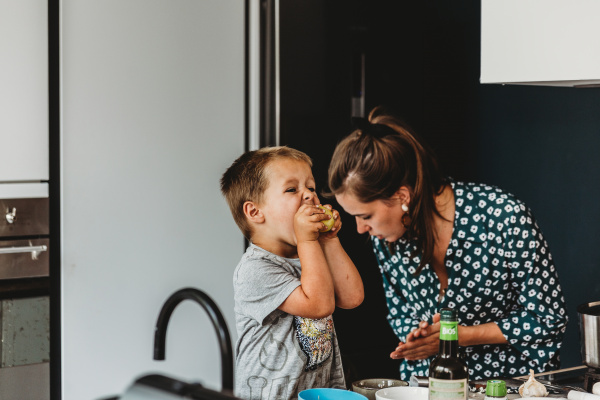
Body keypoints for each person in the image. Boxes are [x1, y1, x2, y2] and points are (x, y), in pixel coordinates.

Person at [326, 106, 568, 381]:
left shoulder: (504, 216)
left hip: (510, 387)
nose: (361, 229)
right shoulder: (385, 238)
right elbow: (400, 315)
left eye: (365, 216)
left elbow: (547, 319)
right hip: (426, 387)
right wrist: (417, 336)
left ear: (402, 196)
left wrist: (458, 336)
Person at [221, 146, 364, 400]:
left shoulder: (312, 255)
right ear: (255, 212)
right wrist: (309, 241)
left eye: (310, 187)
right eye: (292, 190)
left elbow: (352, 298)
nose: (309, 196)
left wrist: (329, 241)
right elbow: (319, 304)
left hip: (320, 393)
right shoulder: (255, 270)